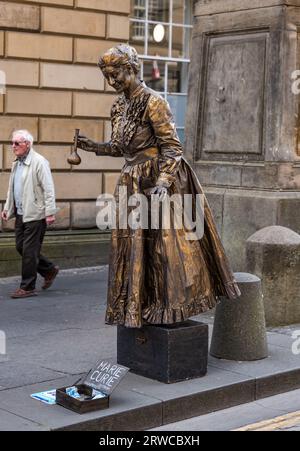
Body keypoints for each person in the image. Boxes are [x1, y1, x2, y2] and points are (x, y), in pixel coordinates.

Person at [77, 44, 241, 329]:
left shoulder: (154, 102)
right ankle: (137, 307)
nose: (112, 82)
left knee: (162, 251)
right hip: (132, 181)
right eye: (108, 77)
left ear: (131, 69)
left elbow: (173, 148)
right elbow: (120, 147)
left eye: (116, 75)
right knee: (133, 247)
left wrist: (163, 183)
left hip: (158, 181)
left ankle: (165, 308)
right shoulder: (118, 107)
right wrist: (96, 148)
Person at [1, 130, 59, 299]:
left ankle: (27, 287)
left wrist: (50, 212)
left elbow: (49, 189)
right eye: (12, 143)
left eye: (16, 143)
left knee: (29, 251)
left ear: (27, 144)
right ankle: (49, 269)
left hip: (36, 214)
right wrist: (7, 208)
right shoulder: (17, 163)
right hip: (21, 212)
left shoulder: (39, 162)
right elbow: (12, 189)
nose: (13, 146)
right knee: (21, 247)